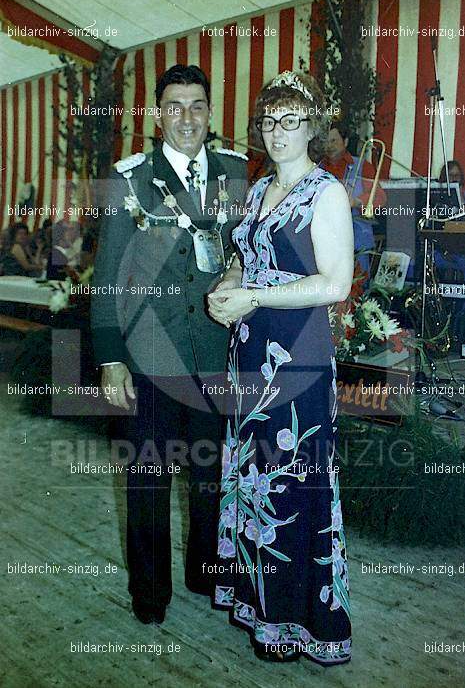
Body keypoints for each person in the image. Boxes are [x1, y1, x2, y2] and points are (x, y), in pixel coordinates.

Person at [91, 65, 247, 625]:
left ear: (210, 113)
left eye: (198, 105)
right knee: (149, 482)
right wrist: (111, 359)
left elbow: (245, 252)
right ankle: (149, 592)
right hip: (148, 356)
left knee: (212, 479)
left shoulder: (235, 173)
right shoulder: (129, 179)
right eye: (175, 106)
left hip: (213, 355)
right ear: (159, 115)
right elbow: (108, 276)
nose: (187, 117)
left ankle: (207, 576)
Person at [208, 71, 353, 665]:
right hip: (250, 358)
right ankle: (261, 608)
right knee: (257, 483)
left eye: (291, 119)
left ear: (312, 127)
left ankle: (300, 622)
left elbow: (335, 283)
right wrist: (230, 285)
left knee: (293, 487)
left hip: (298, 359)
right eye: (269, 120)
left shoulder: (328, 192)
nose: (278, 131)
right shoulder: (256, 189)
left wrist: (257, 297)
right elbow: (247, 256)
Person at [323, 123, 386, 278]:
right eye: (326, 141)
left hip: (357, 243)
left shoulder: (363, 166)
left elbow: (380, 198)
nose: (329, 146)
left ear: (345, 142)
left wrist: (357, 201)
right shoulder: (317, 168)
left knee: (358, 289)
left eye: (334, 141)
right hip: (324, 242)